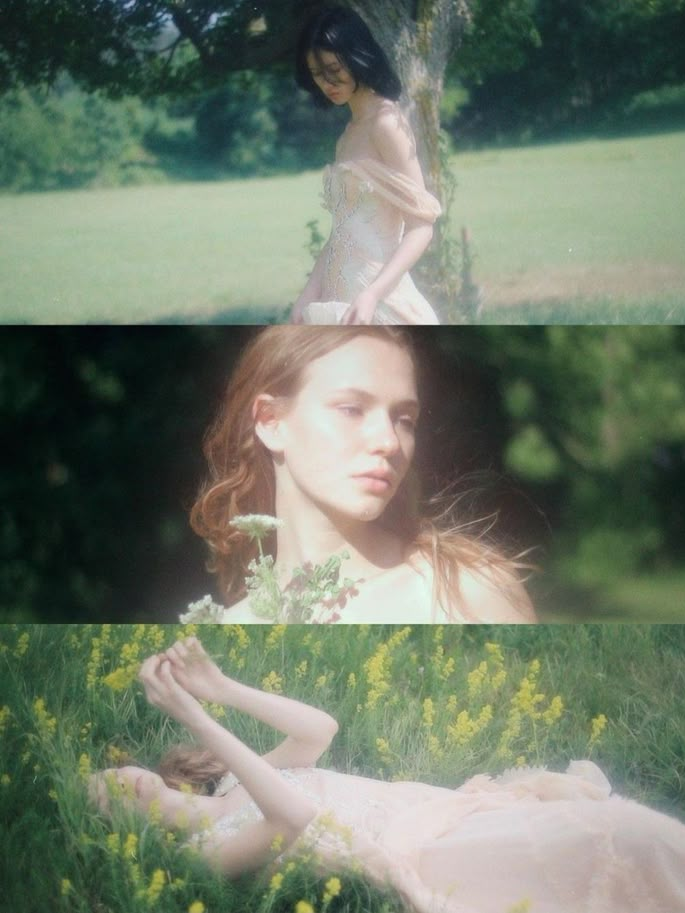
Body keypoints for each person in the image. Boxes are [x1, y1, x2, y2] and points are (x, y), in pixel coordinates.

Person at [89, 638, 685, 913]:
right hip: (422, 853)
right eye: (106, 799)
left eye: (114, 772)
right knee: (615, 848)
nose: (121, 781)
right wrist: (197, 719)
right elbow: (292, 819)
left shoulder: (232, 786)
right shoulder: (204, 856)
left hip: (438, 808)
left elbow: (320, 730)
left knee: (626, 833)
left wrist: (220, 688)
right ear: (125, 833)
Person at [189, 326, 535, 623]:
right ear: (270, 421)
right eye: (351, 409)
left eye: (404, 420)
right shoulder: (230, 627)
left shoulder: (467, 593)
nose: (388, 441)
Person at [290, 6, 442, 326]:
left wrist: (372, 294)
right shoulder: (347, 135)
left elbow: (421, 227)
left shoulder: (386, 123)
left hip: (377, 296)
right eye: (317, 74)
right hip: (339, 296)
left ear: (358, 56)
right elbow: (341, 232)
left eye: (334, 68)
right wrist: (308, 294)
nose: (327, 82)